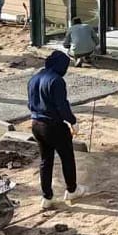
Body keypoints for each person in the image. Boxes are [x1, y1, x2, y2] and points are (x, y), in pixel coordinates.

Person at [28, 49, 88, 210]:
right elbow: (62, 105)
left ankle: (47, 197)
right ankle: (72, 190)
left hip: (36, 124)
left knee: (45, 161)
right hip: (53, 125)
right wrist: (72, 121)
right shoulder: (56, 81)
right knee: (67, 157)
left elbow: (30, 102)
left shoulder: (34, 78)